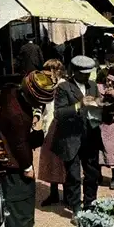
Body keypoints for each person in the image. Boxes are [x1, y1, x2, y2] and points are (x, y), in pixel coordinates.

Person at [0, 71, 56, 227]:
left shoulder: (10, 91)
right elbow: (20, 145)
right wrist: (27, 168)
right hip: (13, 157)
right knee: (24, 191)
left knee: (4, 188)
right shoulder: (19, 116)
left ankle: (8, 226)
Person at [52, 56, 103, 224]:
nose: (87, 77)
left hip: (91, 136)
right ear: (74, 71)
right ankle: (76, 209)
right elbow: (59, 114)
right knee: (73, 176)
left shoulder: (93, 86)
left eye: (89, 73)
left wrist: (106, 105)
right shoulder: (64, 88)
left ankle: (90, 205)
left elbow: (99, 110)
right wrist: (79, 105)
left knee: (92, 174)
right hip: (71, 138)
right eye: (83, 74)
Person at [38, 59, 69, 207]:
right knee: (51, 159)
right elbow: (41, 105)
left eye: (48, 71)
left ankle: (69, 194)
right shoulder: (46, 85)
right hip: (48, 124)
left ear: (56, 71)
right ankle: (54, 192)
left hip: (62, 127)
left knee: (64, 160)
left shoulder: (64, 85)